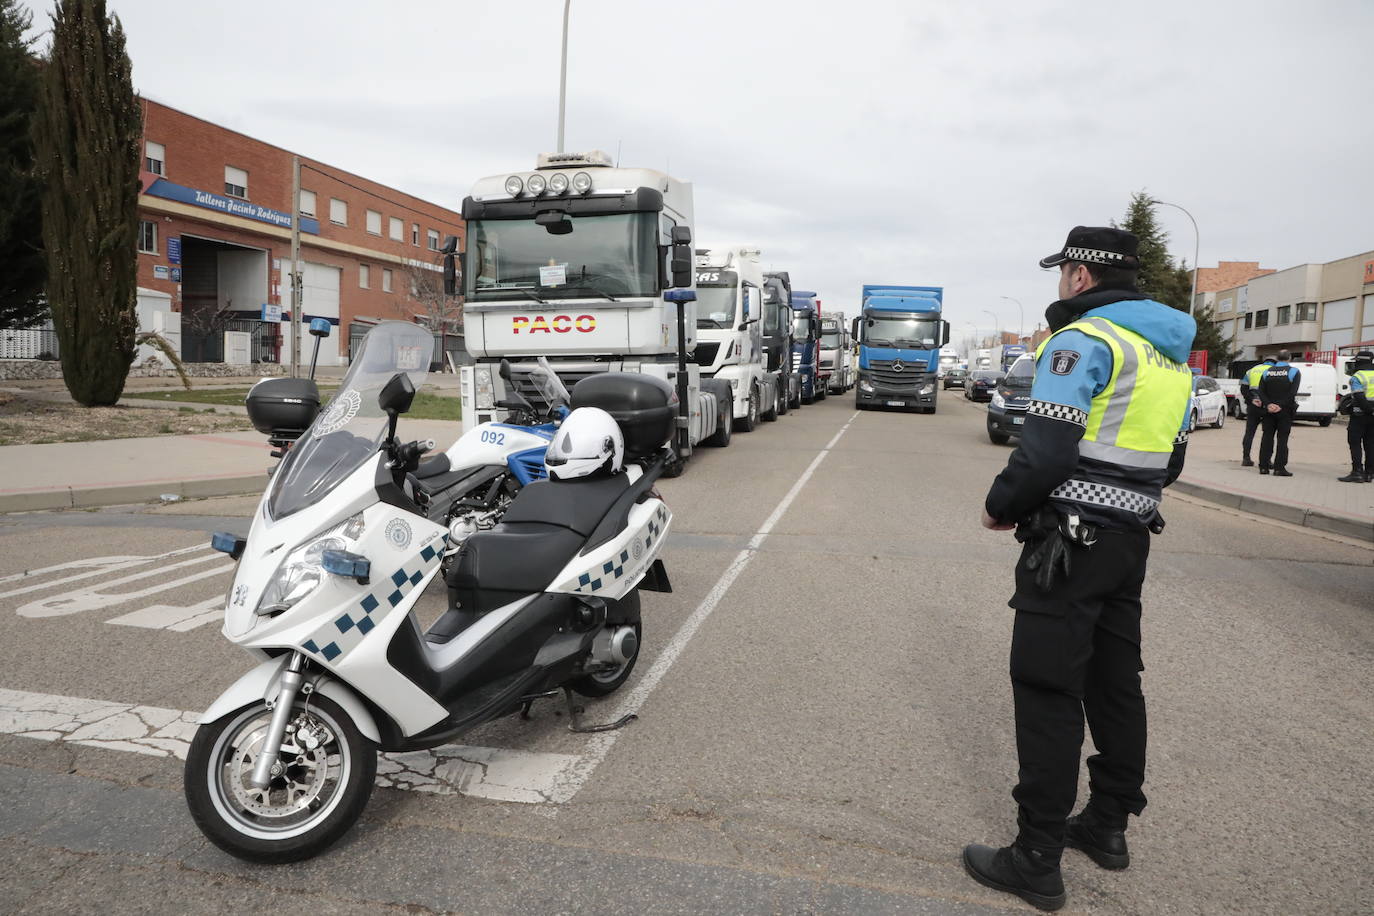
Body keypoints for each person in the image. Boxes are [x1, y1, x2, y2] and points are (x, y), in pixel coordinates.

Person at [965, 226, 1195, 912]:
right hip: (1129, 540)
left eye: (1063, 270)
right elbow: (1172, 463)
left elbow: (1045, 454)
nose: (1060, 282)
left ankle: (1034, 856)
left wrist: (1001, 505)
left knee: (1046, 688)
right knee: (1115, 683)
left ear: (1081, 278)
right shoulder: (1168, 358)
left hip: (1068, 543)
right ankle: (1107, 825)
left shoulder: (1081, 341)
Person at [1256, 350, 1301, 477]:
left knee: (1267, 437)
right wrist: (1280, 405)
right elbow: (1292, 392)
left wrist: (1269, 404)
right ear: (1289, 358)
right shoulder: (1294, 372)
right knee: (1282, 439)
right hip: (1285, 410)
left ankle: (1263, 467)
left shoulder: (1267, 372)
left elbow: (1261, 391)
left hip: (1268, 410)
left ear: (1277, 358)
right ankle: (1279, 468)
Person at [1339, 350, 1374, 483]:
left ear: (1359, 361)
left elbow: (1359, 396)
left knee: (1355, 442)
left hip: (1360, 414)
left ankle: (1357, 472)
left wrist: (1369, 410)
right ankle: (1369, 473)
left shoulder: (1357, 376)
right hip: (1373, 416)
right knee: (1370, 443)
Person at [1239, 357, 1275, 466]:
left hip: (1253, 405)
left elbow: (1243, 389)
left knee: (1249, 432)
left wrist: (1252, 400)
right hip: (1267, 406)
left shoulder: (1251, 370)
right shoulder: (1274, 371)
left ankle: (1246, 458)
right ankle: (1266, 460)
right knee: (1268, 434)